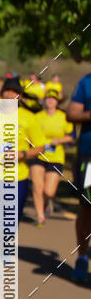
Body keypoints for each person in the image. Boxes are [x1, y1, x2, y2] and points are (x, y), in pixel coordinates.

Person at [0, 77, 46, 226]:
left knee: (10, 224)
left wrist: (22, 154)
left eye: (15, 92)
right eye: (7, 91)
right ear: (1, 93)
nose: (10, 95)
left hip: (17, 177)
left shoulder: (29, 118)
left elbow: (40, 147)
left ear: (20, 96)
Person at [29, 86, 74, 225]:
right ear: (44, 100)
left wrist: (58, 140)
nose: (50, 101)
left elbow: (71, 137)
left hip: (56, 157)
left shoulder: (63, 117)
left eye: (53, 99)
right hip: (38, 154)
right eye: (48, 98)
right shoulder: (36, 117)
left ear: (57, 102)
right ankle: (40, 216)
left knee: (49, 191)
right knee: (37, 186)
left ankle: (48, 201)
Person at [66, 71, 91, 283]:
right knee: (87, 207)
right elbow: (72, 113)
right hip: (89, 155)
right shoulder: (86, 82)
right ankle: (82, 256)